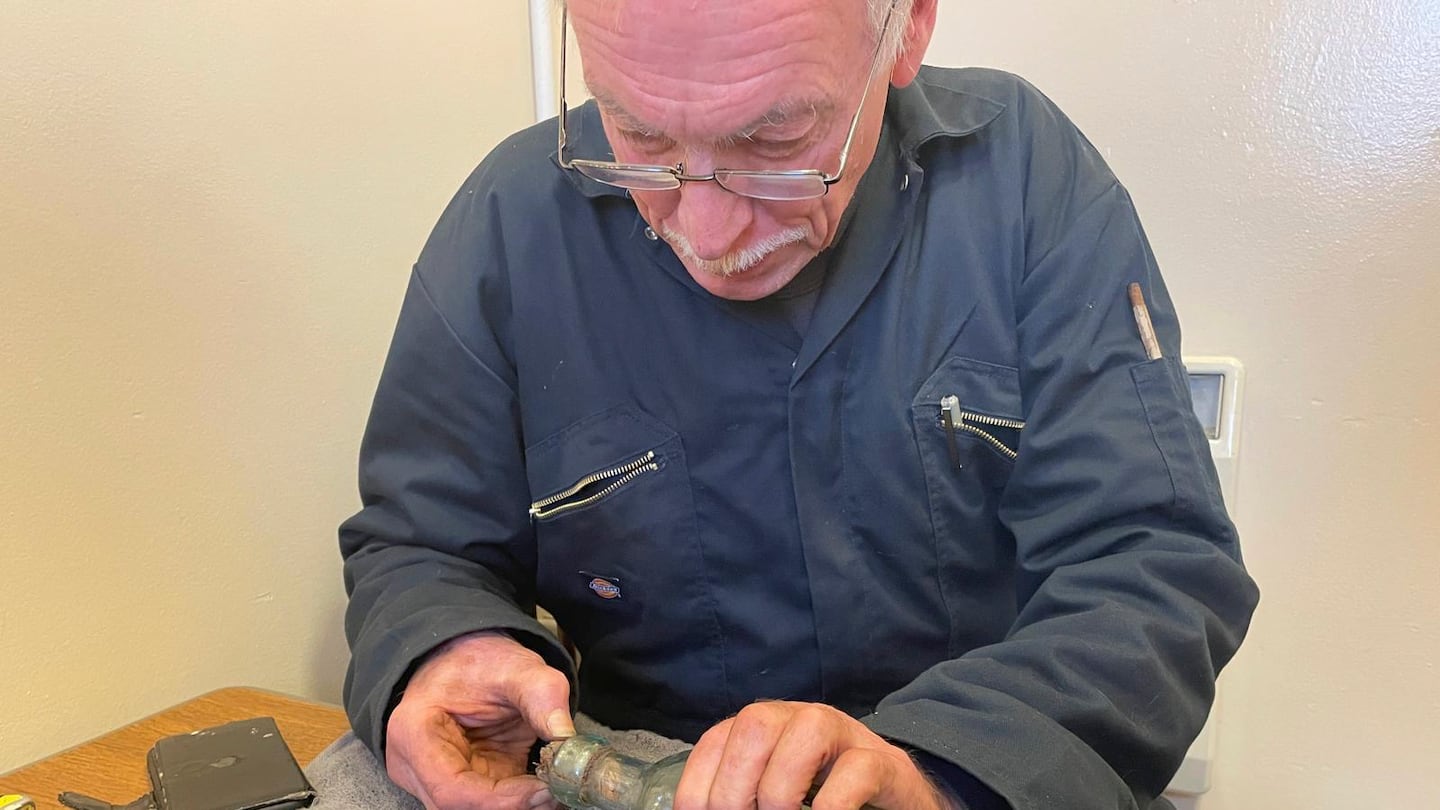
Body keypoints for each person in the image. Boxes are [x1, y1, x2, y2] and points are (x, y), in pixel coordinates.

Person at [339, 0, 1260, 808]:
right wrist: (438, 650)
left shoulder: (1025, 179)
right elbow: (420, 546)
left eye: (775, 144)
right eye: (642, 139)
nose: (703, 233)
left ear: (908, 27)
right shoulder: (512, 218)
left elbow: (1153, 565)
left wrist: (940, 771)